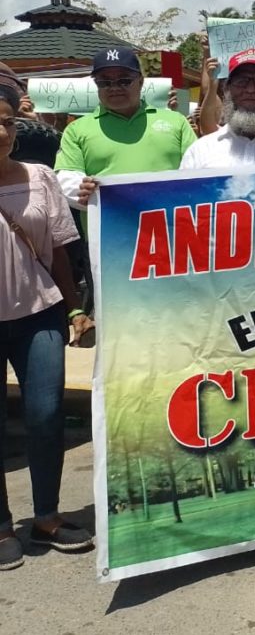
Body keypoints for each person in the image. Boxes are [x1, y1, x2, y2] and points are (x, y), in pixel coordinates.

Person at [0, 82, 95, 570]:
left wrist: (75, 309)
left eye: (6, 122)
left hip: (40, 313)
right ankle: (1, 526)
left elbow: (59, 250)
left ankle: (46, 517)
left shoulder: (40, 177)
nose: (0, 132)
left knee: (46, 414)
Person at [55, 48, 196, 209]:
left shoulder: (177, 122)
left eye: (124, 81)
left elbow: (196, 171)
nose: (114, 87)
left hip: (168, 222)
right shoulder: (75, 130)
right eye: (104, 82)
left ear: (140, 82)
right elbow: (68, 180)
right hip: (110, 224)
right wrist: (81, 191)